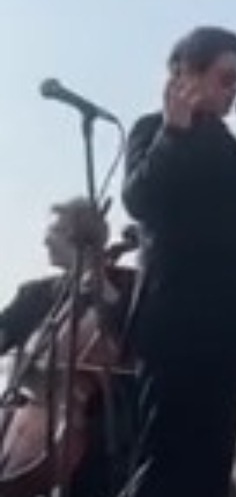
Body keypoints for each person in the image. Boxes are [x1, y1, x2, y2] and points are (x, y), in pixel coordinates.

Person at [119, 26, 236, 497]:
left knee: (212, 465)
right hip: (177, 326)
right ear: (186, 74)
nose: (235, 91)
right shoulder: (152, 131)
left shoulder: (234, 153)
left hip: (230, 328)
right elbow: (140, 200)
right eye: (226, 78)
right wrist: (174, 134)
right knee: (165, 460)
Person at [0, 197, 138, 497]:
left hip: (100, 434)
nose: (45, 241)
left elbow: (132, 331)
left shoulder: (128, 287)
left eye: (55, 231)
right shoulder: (35, 294)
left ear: (82, 238)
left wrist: (102, 288)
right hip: (30, 415)